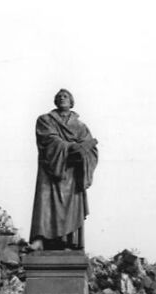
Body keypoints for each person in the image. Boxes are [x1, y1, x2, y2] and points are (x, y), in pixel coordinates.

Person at [29, 89, 98, 251]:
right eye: (59, 96)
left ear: (71, 101)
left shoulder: (81, 127)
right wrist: (71, 147)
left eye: (65, 96)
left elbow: (91, 150)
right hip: (51, 169)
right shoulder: (45, 120)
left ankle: (69, 242)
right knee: (45, 203)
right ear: (55, 101)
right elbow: (48, 139)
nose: (62, 98)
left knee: (71, 206)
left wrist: (84, 153)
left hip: (72, 172)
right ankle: (41, 239)